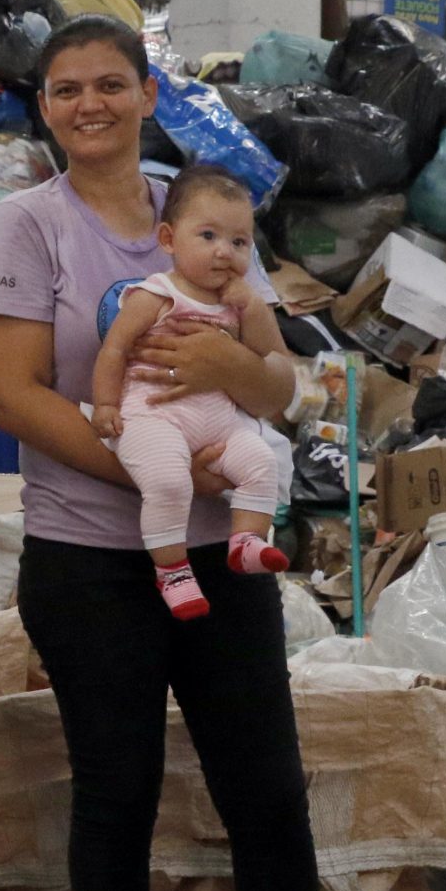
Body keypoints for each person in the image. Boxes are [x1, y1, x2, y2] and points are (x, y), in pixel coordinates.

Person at [0, 15, 408, 891]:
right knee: (114, 792)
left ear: (147, 94)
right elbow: (15, 394)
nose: (89, 105)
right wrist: (146, 469)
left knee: (264, 787)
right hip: (86, 560)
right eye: (66, 89)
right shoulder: (28, 225)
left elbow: (282, 385)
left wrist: (229, 369)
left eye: (110, 84)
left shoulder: (202, 209)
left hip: (222, 556)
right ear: (44, 106)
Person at [88, 163, 291, 616]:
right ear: (168, 239)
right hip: (153, 415)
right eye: (208, 236)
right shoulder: (156, 294)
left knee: (262, 462)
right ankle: (173, 571)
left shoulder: (238, 302)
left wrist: (253, 308)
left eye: (239, 242)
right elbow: (114, 350)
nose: (224, 252)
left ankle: (246, 541)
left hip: (219, 424)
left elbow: (270, 356)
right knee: (168, 480)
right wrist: (104, 404)